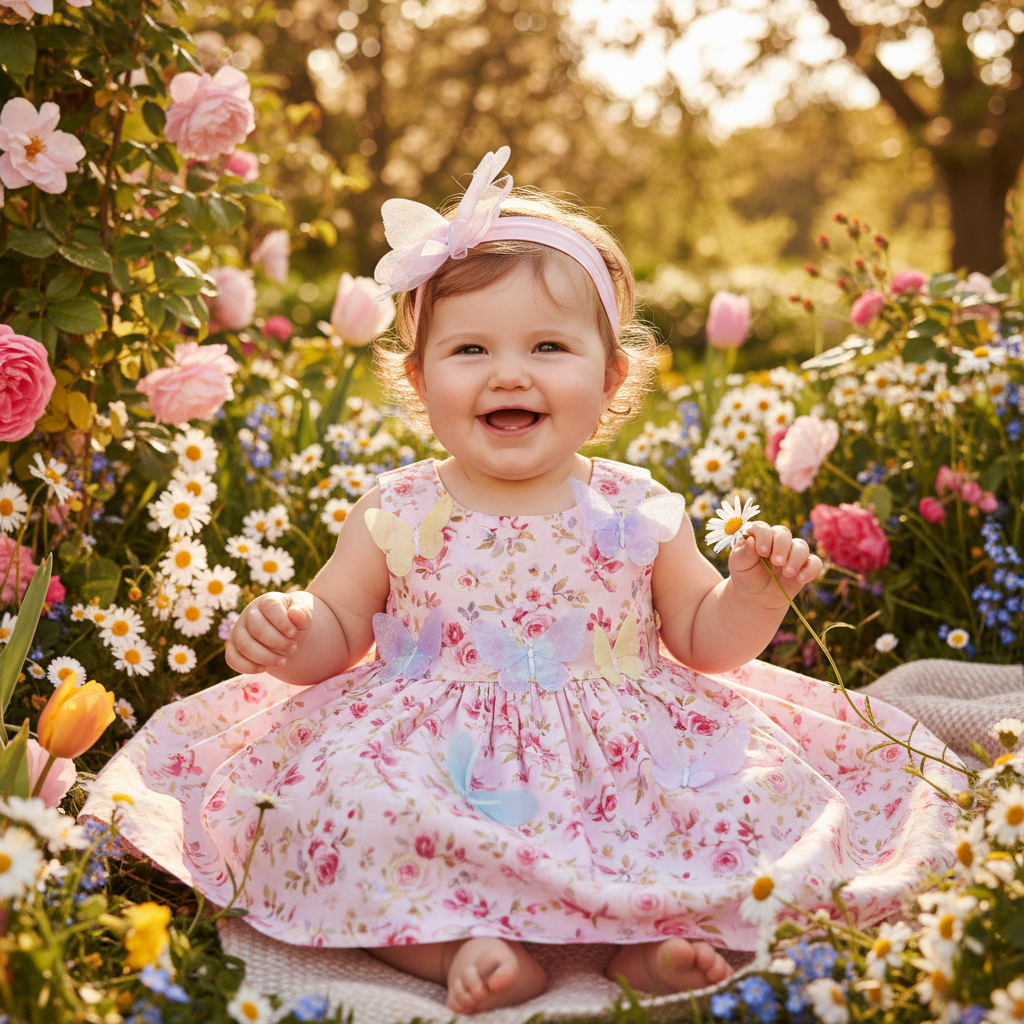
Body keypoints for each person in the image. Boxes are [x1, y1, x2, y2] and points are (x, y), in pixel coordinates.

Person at [84, 147, 960, 1015]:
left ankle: (646, 943)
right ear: (419, 381)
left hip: (620, 747)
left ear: (611, 377)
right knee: (336, 812)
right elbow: (340, 626)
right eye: (470, 348)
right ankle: (458, 945)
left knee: (730, 802)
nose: (510, 372)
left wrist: (755, 596)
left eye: (548, 345)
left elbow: (702, 639)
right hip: (427, 742)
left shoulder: (639, 505)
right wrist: (291, 628)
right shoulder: (397, 505)